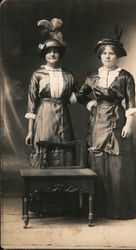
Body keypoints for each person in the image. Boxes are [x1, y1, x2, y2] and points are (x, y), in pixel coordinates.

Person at [76, 27, 136, 219]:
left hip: (118, 120)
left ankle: (118, 209)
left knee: (117, 165)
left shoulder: (125, 76)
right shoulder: (93, 76)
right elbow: (78, 95)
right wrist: (89, 102)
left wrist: (129, 124)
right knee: (98, 162)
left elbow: (131, 102)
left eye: (111, 53)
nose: (107, 56)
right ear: (100, 56)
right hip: (97, 121)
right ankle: (97, 209)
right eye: (104, 53)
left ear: (117, 55)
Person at [25, 18, 78, 214]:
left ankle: (63, 205)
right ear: (44, 54)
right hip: (44, 117)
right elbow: (31, 104)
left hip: (64, 117)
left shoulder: (69, 75)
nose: (52, 54)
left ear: (60, 54)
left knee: (64, 155)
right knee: (44, 155)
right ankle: (42, 205)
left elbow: (78, 94)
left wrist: (85, 99)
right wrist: (30, 131)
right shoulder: (37, 75)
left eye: (55, 51)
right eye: (49, 51)